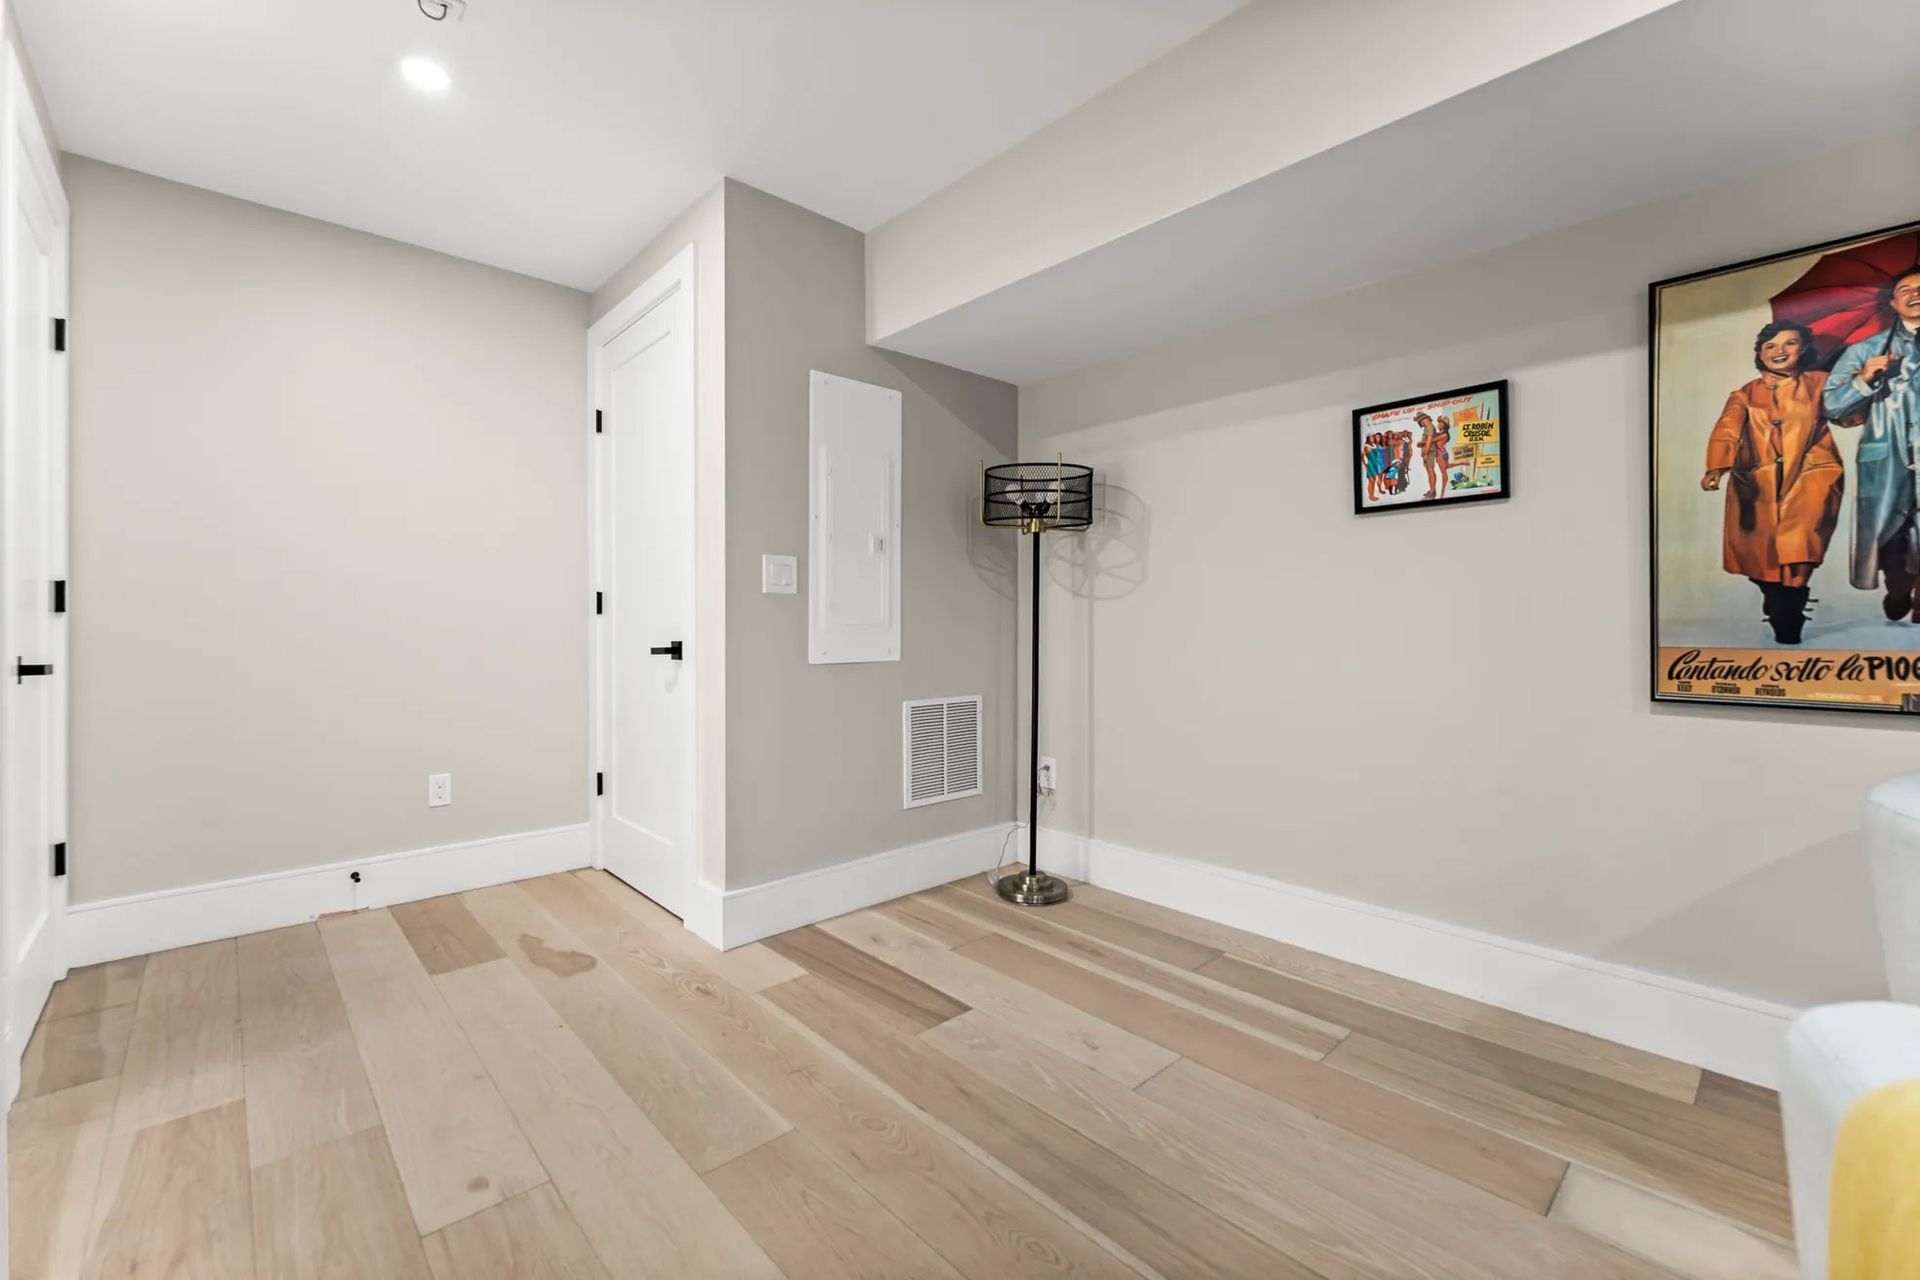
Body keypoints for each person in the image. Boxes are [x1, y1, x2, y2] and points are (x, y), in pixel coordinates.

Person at [1701, 320, 1842, 644]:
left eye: (1789, 343)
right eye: (1770, 346)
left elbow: (1848, 415)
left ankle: (1789, 614)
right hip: (1758, 481)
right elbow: (1727, 429)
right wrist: (1716, 468)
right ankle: (1776, 599)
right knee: (1761, 557)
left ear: (1804, 348)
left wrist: (1864, 381)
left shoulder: (1821, 382)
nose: (1780, 351)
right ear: (1760, 353)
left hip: (1813, 475)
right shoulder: (1745, 394)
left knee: (1803, 548)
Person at [1825, 267, 1920, 618]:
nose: (1914, 294)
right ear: (1894, 303)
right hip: (1886, 458)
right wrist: (1864, 379)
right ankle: (1898, 590)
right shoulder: (1866, 350)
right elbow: (1832, 405)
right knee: (1892, 536)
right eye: (1905, 289)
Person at [1417, 412, 1451, 498]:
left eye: (1420, 420)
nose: (1420, 423)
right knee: (1430, 472)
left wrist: (1425, 452)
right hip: (1433, 452)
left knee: (1433, 472)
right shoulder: (1428, 427)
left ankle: (1433, 492)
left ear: (1424, 419)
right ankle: (1432, 489)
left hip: (1432, 453)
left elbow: (1430, 440)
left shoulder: (1430, 427)